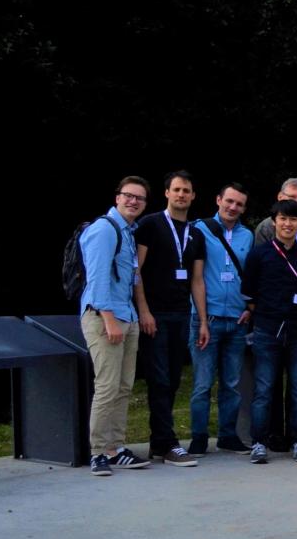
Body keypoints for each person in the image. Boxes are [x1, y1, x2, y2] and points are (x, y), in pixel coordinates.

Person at [241, 199, 297, 464]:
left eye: (293, 220)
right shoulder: (259, 254)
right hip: (267, 329)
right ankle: (259, 443)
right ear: (274, 221)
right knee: (264, 388)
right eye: (283, 219)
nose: (288, 224)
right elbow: (249, 295)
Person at [133, 171, 205, 467]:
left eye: (186, 190)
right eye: (176, 189)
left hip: (181, 314)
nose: (181, 195)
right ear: (167, 193)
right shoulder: (150, 225)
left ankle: (158, 441)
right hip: (155, 314)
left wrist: (202, 320)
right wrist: (144, 311)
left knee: (173, 379)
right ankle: (168, 443)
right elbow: (136, 271)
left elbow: (197, 281)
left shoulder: (196, 234)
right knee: (159, 378)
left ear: (192, 196)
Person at [83, 176, 153, 476]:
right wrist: (109, 318)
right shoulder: (104, 230)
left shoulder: (128, 232)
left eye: (139, 198)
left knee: (124, 388)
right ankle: (98, 452)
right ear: (117, 198)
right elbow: (97, 277)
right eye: (128, 195)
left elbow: (132, 276)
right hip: (105, 318)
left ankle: (115, 448)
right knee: (107, 387)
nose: (133, 201)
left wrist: (136, 315)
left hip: (128, 317)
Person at [188, 183, 253, 456]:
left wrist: (250, 307)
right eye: (229, 201)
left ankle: (228, 435)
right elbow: (196, 276)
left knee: (231, 384)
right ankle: (199, 437)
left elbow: (250, 275)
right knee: (203, 383)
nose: (233, 207)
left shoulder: (247, 236)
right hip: (208, 318)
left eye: (239, 204)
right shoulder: (199, 229)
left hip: (237, 320)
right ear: (218, 200)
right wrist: (202, 319)